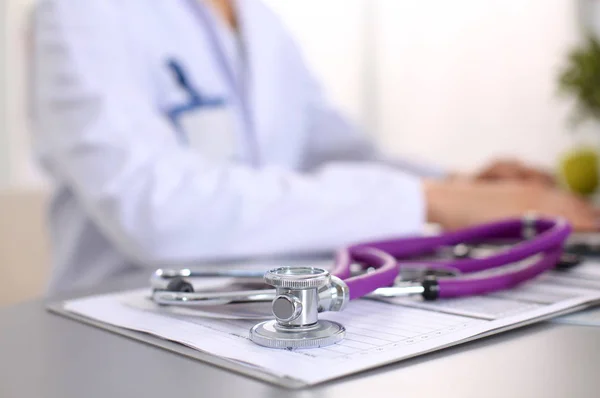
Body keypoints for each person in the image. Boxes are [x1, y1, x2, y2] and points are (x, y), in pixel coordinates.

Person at [31, 0, 598, 294]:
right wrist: (433, 201)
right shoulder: (84, 12)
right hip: (115, 321)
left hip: (264, 318)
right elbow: (156, 209)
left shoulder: (258, 21)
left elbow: (329, 147)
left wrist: (461, 185)